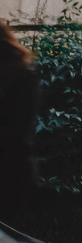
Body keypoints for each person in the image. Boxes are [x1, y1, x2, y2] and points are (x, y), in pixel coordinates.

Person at [0, 19, 36, 227]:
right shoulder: (23, 73)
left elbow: (17, 131)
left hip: (8, 174)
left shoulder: (19, 75)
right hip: (14, 173)